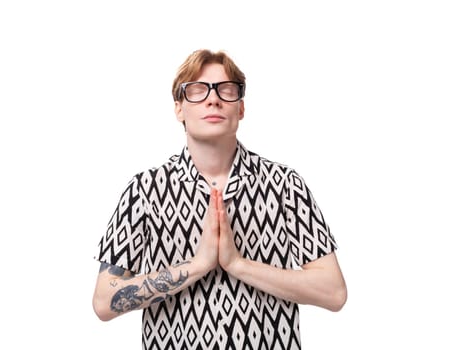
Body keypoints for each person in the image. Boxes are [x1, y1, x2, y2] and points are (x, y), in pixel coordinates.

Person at [92, 49, 347, 349]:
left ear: (240, 108)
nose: (213, 99)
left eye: (226, 90)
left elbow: (333, 292)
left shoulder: (286, 186)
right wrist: (197, 266)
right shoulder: (144, 190)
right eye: (197, 90)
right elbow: (104, 301)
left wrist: (237, 264)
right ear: (178, 108)